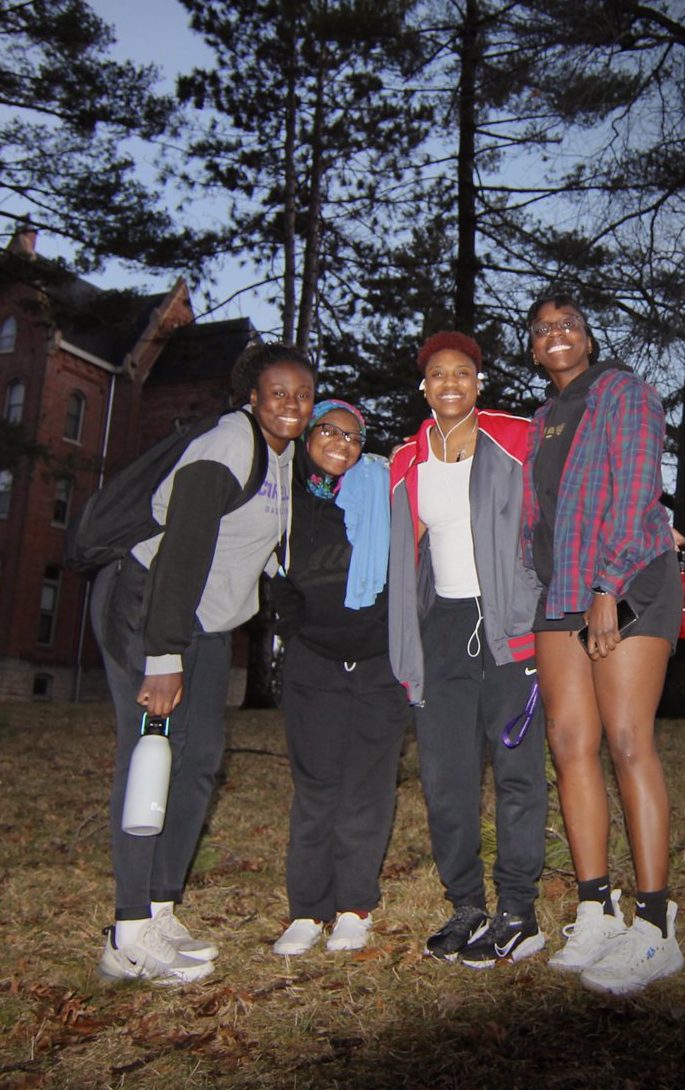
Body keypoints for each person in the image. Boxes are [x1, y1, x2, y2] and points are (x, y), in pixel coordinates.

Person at [92, 342, 316, 983]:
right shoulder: (226, 447)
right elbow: (183, 553)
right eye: (278, 392)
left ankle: (160, 907)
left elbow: (267, 544)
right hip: (149, 606)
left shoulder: (284, 458)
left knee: (198, 761)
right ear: (252, 396)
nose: (292, 404)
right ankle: (128, 933)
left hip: (208, 622)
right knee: (149, 755)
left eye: (302, 392)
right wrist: (162, 656)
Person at [523, 295, 684, 995]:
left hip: (627, 580)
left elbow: (637, 490)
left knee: (625, 739)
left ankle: (655, 925)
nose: (557, 335)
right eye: (543, 330)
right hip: (561, 593)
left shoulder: (625, 392)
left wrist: (605, 585)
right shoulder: (540, 421)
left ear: (587, 339)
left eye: (569, 326)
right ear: (533, 350)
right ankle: (596, 909)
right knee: (568, 741)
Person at [388, 331, 547, 967]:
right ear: (423, 387)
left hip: (509, 624)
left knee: (516, 768)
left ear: (478, 382)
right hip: (445, 629)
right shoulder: (405, 459)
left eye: (462, 372)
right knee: (445, 774)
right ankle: (466, 903)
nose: (450, 381)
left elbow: (561, 498)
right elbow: (407, 550)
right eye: (437, 374)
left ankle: (518, 909)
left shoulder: (516, 437)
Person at [269, 400, 411, 956]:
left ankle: (354, 906)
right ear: (308, 437)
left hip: (379, 663)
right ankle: (307, 909)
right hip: (314, 664)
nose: (342, 442)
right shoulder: (285, 499)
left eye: (353, 436)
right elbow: (276, 576)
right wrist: (295, 628)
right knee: (316, 787)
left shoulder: (381, 490)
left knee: (367, 788)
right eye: (329, 429)